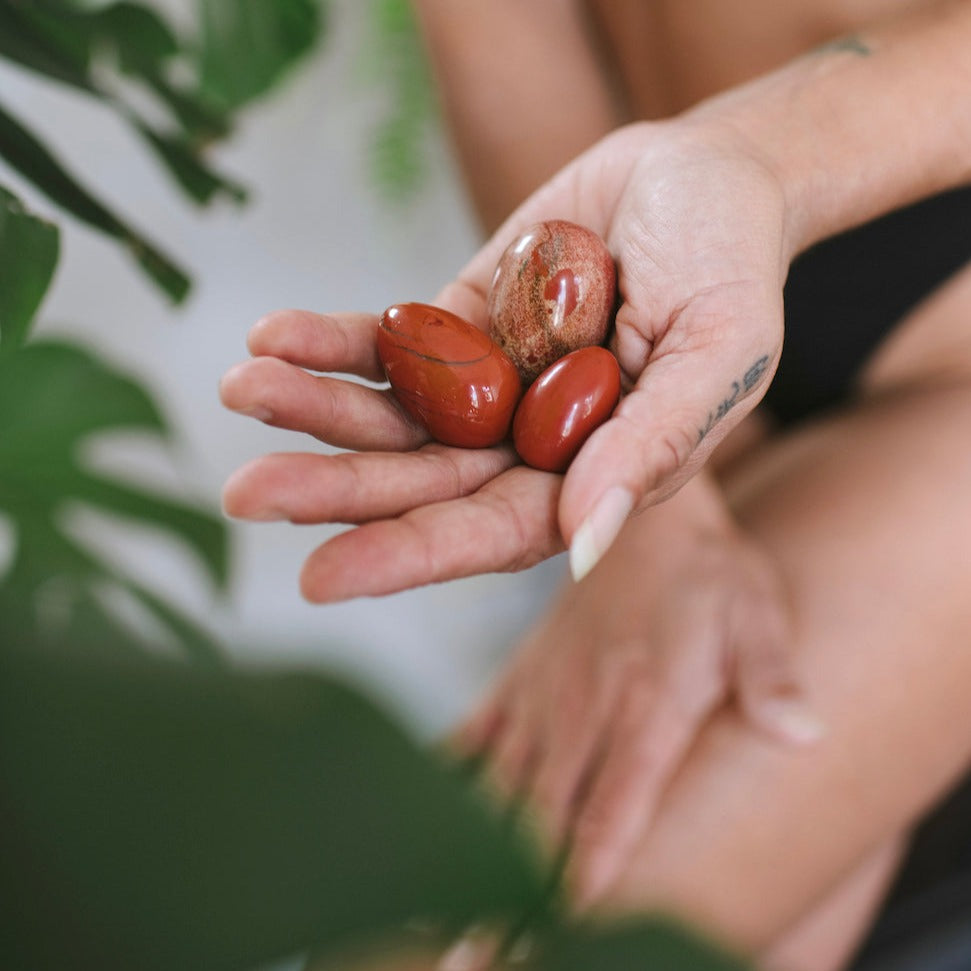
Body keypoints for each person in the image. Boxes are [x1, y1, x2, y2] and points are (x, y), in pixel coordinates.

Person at [220, 2, 971, 967]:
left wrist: (754, 155)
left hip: (932, 310)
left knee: (532, 946)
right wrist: (648, 513)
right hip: (674, 256)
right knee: (462, 929)